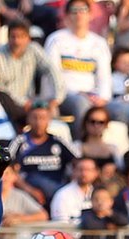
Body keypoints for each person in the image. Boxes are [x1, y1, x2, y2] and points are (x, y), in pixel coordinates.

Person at [44, 0, 112, 138]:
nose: (79, 14)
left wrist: (103, 98)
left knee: (126, 111)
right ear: (67, 15)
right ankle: (81, 146)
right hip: (66, 96)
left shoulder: (99, 43)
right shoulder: (56, 39)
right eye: (74, 11)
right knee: (81, 103)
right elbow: (52, 76)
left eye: (83, 10)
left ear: (90, 14)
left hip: (94, 97)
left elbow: (104, 77)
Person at [8, 101, 78, 205]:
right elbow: (8, 169)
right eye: (34, 117)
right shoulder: (19, 141)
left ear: (49, 120)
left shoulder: (58, 141)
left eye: (43, 118)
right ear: (28, 119)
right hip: (28, 193)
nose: (38, 122)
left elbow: (78, 162)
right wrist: (29, 190)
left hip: (58, 191)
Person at [0, 18, 65, 113]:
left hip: (31, 101)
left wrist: (57, 98)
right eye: (13, 37)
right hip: (6, 104)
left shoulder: (34, 49)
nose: (17, 41)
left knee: (52, 111)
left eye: (21, 37)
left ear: (28, 38)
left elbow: (52, 70)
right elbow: (0, 88)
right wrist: (24, 102)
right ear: (7, 38)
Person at [50, 157, 99, 223]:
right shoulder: (63, 195)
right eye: (80, 169)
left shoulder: (99, 193)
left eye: (88, 170)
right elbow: (61, 224)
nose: (84, 173)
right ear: (74, 171)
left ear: (96, 173)